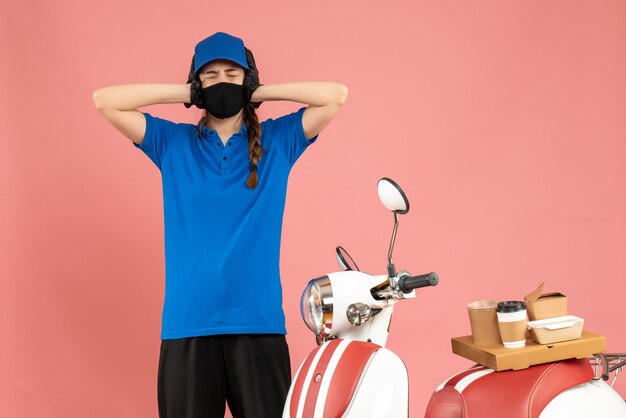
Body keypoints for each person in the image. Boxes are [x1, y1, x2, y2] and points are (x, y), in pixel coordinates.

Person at [92, 31, 348, 418]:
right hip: (188, 324)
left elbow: (336, 95)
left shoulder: (279, 141)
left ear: (247, 79)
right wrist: (185, 91)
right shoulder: (172, 143)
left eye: (232, 73)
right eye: (209, 76)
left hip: (258, 323)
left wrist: (257, 92)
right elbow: (105, 101)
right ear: (197, 85)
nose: (222, 82)